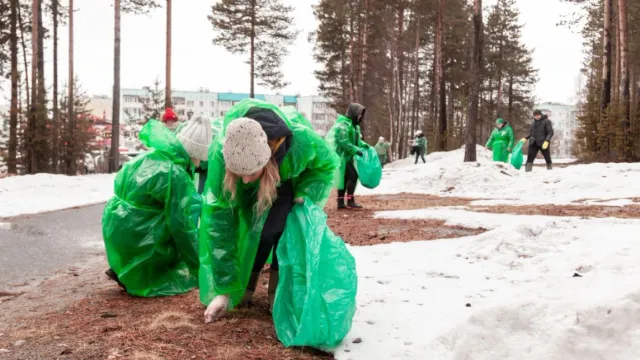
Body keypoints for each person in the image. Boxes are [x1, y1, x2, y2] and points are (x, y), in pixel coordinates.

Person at [200, 99, 338, 323]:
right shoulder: (221, 153)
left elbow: (325, 165)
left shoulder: (300, 141)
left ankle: (279, 288)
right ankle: (242, 285)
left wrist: (306, 191)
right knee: (249, 232)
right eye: (239, 173)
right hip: (256, 179)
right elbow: (220, 225)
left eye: (250, 173)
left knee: (278, 229)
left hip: (285, 181)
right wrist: (224, 291)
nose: (244, 180)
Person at [102, 116, 211, 297]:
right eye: (200, 159)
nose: (199, 164)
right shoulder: (176, 175)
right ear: (194, 154)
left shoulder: (149, 156)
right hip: (140, 233)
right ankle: (141, 274)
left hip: (115, 225)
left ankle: (123, 268)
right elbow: (182, 227)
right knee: (174, 229)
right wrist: (199, 268)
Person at [325, 103, 366, 209]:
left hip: (347, 157)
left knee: (344, 178)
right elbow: (344, 142)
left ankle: (340, 202)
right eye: (359, 114)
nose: (360, 116)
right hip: (341, 156)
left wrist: (364, 146)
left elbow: (356, 141)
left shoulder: (353, 126)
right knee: (353, 176)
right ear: (354, 113)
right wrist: (356, 150)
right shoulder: (343, 125)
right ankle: (350, 200)